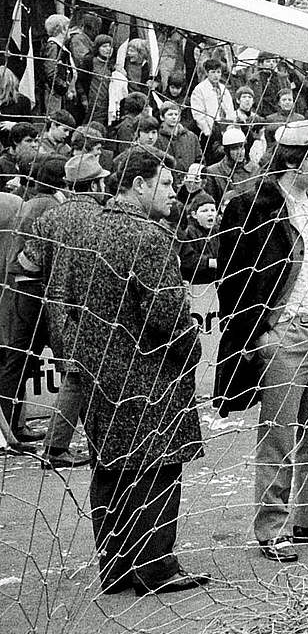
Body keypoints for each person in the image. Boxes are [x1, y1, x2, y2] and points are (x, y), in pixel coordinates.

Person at [67, 146, 208, 595]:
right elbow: (166, 312)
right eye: (165, 184)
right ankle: (156, 569)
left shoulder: (87, 229)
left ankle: (116, 569)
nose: (173, 193)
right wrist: (192, 349)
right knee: (156, 468)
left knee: (111, 468)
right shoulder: (149, 237)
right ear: (138, 184)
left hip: (99, 371)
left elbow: (66, 300)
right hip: (147, 372)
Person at [214, 120, 308, 564]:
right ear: (292, 159)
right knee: (278, 434)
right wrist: (259, 332)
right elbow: (232, 277)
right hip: (285, 331)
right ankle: (272, 528)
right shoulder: (252, 205)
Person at [21, 155, 111, 469]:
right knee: (78, 377)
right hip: (90, 307)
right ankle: (55, 448)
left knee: (78, 375)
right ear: (96, 184)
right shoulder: (102, 217)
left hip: (55, 308)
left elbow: (27, 264)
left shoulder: (50, 218)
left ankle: (94, 442)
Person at [0, 156, 66, 442]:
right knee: (27, 362)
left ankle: (12, 428)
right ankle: (15, 432)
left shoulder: (29, 204)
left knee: (20, 362)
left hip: (20, 290)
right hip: (35, 292)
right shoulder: (48, 207)